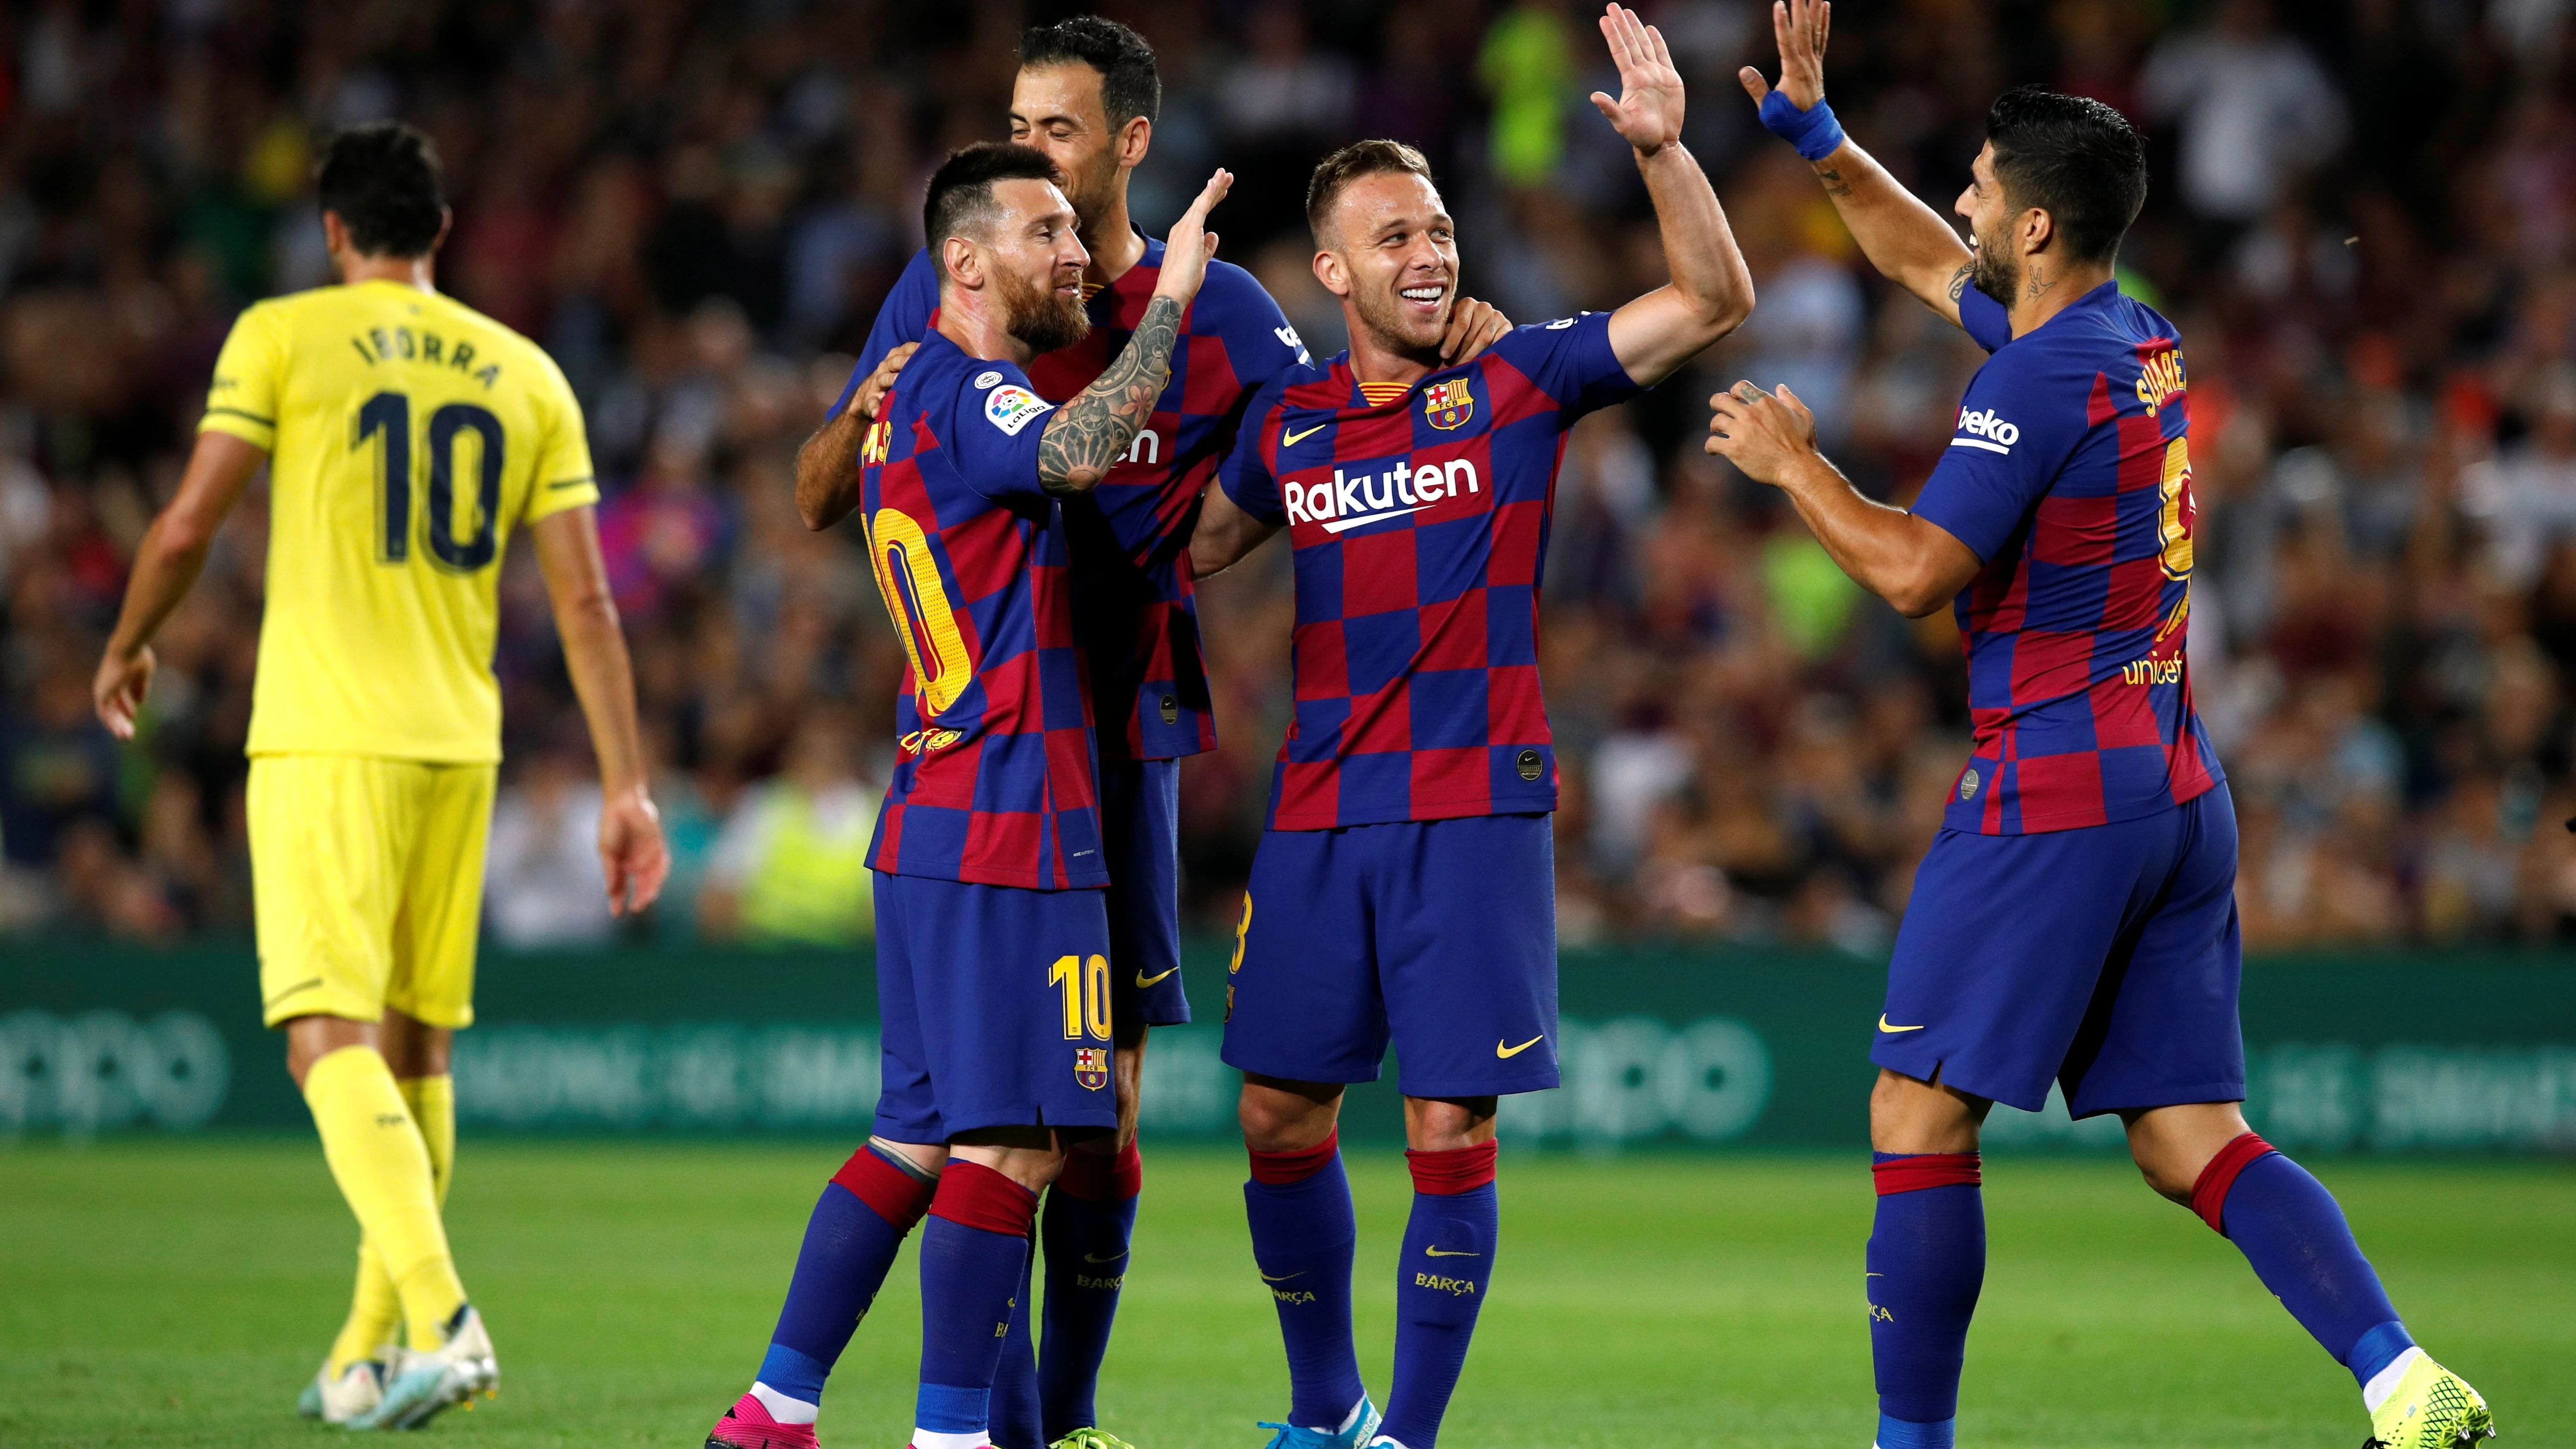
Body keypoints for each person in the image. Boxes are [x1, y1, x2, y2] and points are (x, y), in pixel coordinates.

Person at [1706, 6, 2495, 1448]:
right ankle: (2397, 1375)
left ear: (2036, 227)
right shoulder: (2135, 338)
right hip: (2173, 786)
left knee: (1911, 1115)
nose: (1961, 201)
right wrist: (1820, 140)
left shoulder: (2031, 378)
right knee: (2189, 1135)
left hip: (2052, 791)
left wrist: (1793, 466)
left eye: (1982, 186)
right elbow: (1920, 256)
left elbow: (1907, 572)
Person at [796, 21, 1513, 1449]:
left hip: (1123, 742)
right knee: (1010, 1113)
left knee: (1101, 1118)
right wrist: (860, 417)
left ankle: (1062, 1415)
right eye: (1017, 123)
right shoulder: (966, 283)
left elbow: (1328, 440)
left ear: (1128, 141)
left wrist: (1451, 361)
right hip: (996, 751)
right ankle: (993, 1426)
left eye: (1056, 131)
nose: (1029, 153)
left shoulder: (1229, 313)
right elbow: (824, 483)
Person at [1187, 10, 1752, 1449]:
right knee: (1274, 1117)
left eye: (1436, 228)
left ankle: (1407, 1438)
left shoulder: (1518, 381)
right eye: (1392, 238)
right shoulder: (1289, 424)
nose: (1428, 253)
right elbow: (1181, 547)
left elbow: (1709, 298)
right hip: (1317, 815)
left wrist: (1663, 149)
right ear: (1330, 274)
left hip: (1471, 810)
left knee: (1449, 1128)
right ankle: (1326, 1409)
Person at [90, 121, 669, 1430]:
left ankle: (443, 1316)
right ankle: (364, 1353)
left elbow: (188, 521)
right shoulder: (526, 372)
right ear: (441, 237)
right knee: (417, 1052)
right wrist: (627, 786)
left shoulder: (282, 335)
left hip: (326, 734)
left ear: (335, 233)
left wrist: (129, 641)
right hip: (459, 743)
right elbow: (586, 604)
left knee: (322, 1041)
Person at [704, 143, 1231, 1449]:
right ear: (964, 260)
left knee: (913, 1140)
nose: (1074, 254)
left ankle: (775, 1407)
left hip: (935, 807)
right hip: (1012, 819)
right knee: (1018, 1149)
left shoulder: (900, 398)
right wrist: (1170, 300)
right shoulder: (967, 396)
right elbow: (1077, 446)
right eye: (1046, 232)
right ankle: (949, 1439)